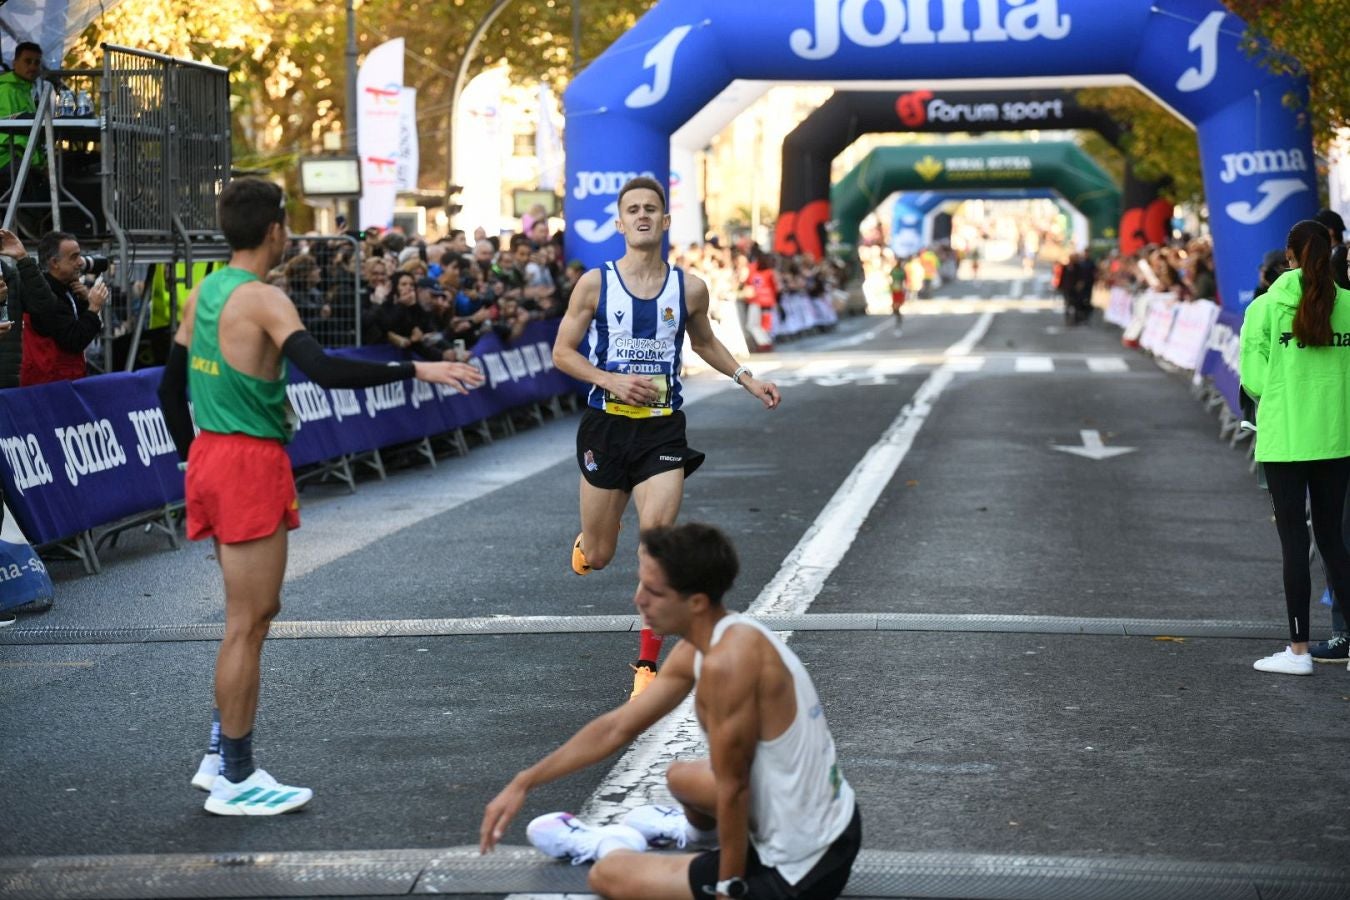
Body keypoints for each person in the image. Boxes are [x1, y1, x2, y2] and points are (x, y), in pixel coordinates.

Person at [156, 177, 482, 814]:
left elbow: (169, 392)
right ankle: (235, 778)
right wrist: (418, 367)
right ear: (275, 230)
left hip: (211, 457)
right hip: (247, 461)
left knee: (251, 616)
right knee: (247, 623)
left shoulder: (203, 293)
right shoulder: (264, 299)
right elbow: (326, 371)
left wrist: (192, 461)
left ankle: (219, 755)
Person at [480, 523, 861, 900]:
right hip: (825, 815)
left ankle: (612, 844)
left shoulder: (728, 667)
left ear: (696, 602)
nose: (639, 600)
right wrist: (525, 781)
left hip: (801, 867)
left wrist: (728, 889)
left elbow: (734, 790)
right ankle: (696, 841)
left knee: (608, 876)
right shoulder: (714, 637)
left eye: (654, 592)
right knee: (680, 778)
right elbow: (617, 727)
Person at [554, 176, 780, 700]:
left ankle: (647, 665)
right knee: (602, 554)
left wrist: (747, 378)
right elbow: (562, 353)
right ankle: (590, 541)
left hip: (661, 430)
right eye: (632, 209)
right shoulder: (594, 284)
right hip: (606, 428)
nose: (642, 216)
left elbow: (704, 342)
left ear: (665, 220)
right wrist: (609, 380)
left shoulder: (690, 288)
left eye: (650, 209)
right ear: (619, 222)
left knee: (657, 548)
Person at [1239, 219, 1350, 676]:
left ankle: (1298, 652)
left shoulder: (1265, 307)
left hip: (1285, 437)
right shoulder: (1348, 306)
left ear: (1289, 257)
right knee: (1333, 540)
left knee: (1294, 543)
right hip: (1337, 436)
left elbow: (1253, 378)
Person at [17, 231, 108, 385]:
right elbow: (73, 340)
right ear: (54, 263)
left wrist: (84, 302)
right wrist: (94, 307)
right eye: (74, 257)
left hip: (62, 379)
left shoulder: (66, 288)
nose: (81, 263)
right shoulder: (46, 296)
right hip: (49, 385)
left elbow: (77, 324)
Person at [0, 42, 44, 175]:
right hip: (6, 158)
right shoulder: (7, 90)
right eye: (28, 61)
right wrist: (40, 165)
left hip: (16, 157)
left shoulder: (25, 90)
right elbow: (13, 136)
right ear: (14, 64)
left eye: (37, 63)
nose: (33, 67)